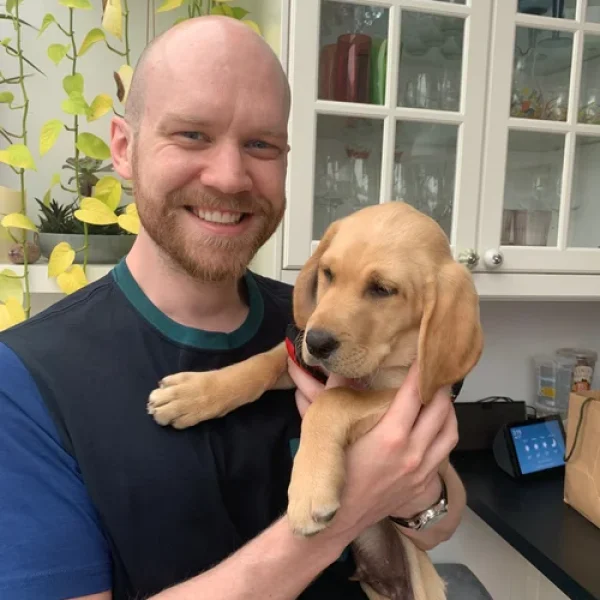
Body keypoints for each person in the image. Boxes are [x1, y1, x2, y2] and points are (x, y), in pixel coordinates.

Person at [0, 15, 466, 600]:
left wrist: (420, 499)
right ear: (123, 147)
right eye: (192, 134)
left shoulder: (312, 323)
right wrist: (342, 517)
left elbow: (441, 521)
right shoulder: (24, 382)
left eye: (261, 144)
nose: (229, 176)